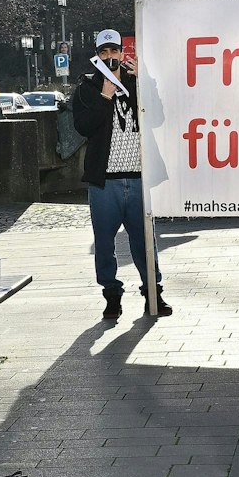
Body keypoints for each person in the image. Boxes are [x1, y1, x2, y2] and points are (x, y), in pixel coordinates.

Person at [72, 29, 168, 320]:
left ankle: (153, 293)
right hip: (105, 182)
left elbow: (158, 117)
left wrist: (144, 80)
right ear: (97, 56)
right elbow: (83, 127)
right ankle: (111, 295)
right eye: (105, 52)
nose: (111, 57)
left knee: (144, 240)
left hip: (138, 177)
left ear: (123, 54)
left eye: (115, 52)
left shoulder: (135, 81)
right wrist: (104, 97)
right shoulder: (87, 87)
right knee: (104, 242)